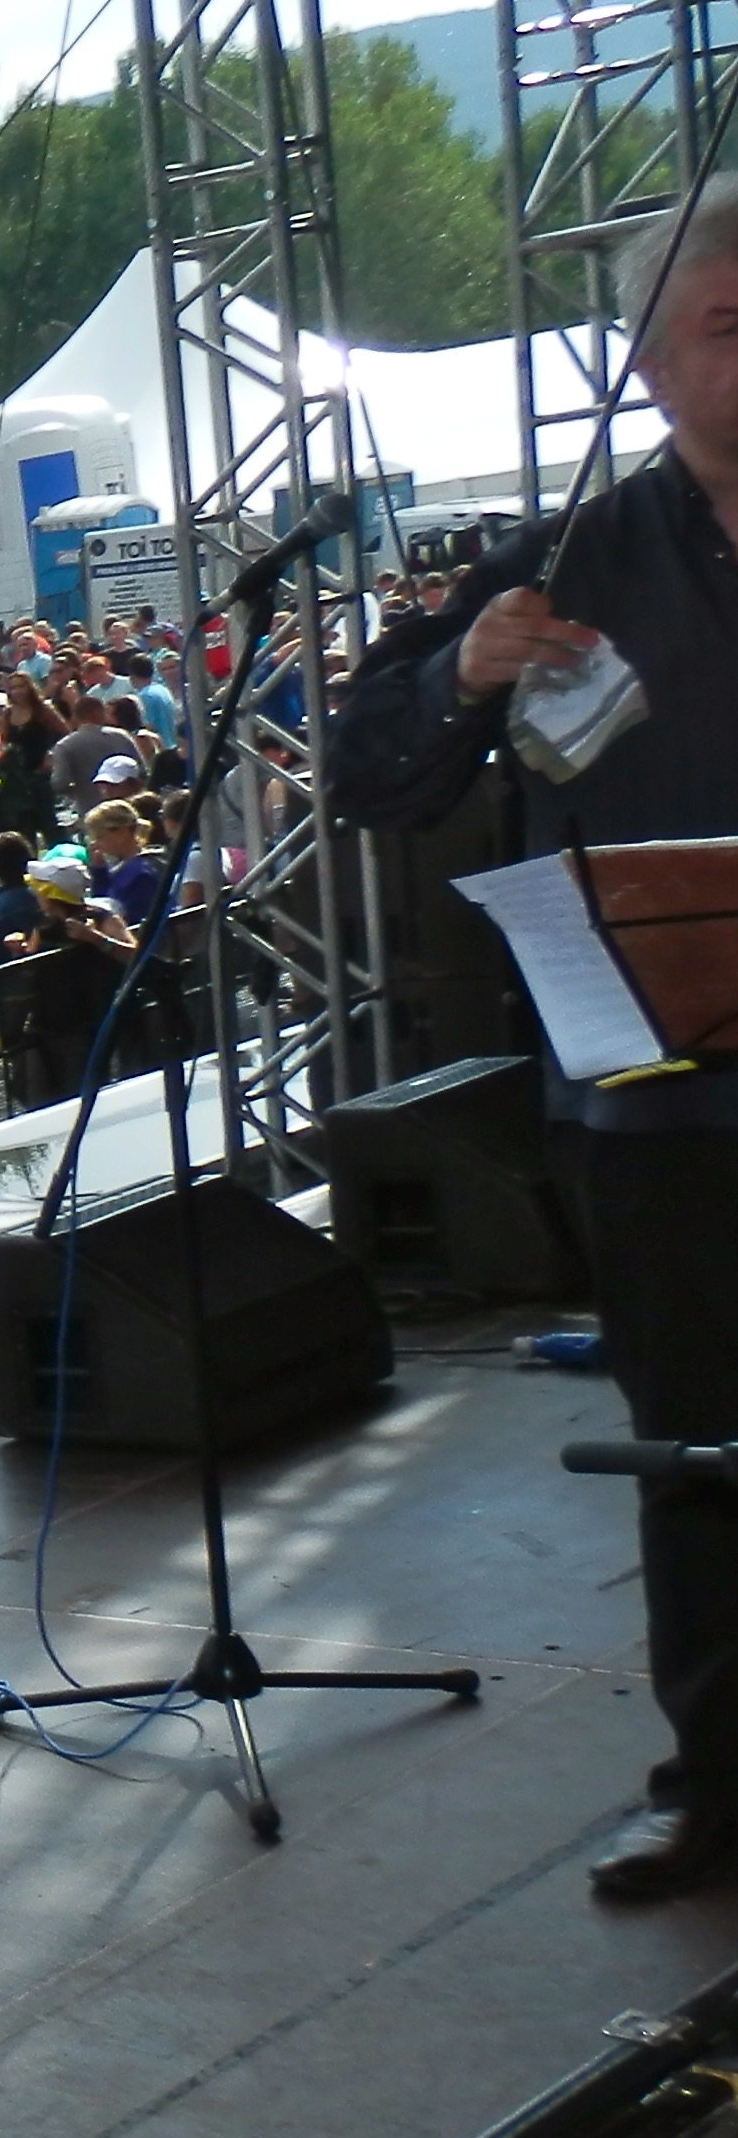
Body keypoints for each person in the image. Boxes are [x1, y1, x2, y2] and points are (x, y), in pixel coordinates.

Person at [335, 188, 738, 1901]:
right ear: (644, 369)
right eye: (727, 325)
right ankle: (719, 1786)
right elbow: (372, 770)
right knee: (696, 1455)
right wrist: (461, 682)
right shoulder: (574, 562)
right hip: (665, 1102)